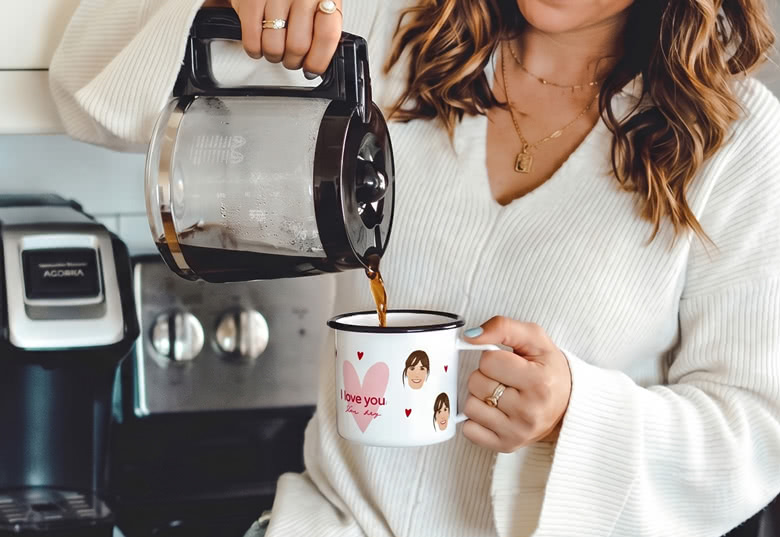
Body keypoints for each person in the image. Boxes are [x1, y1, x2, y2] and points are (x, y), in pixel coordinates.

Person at [49, 0, 780, 536]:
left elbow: (756, 425)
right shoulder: (387, 31)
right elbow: (90, 90)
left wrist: (572, 413)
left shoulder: (736, 144)